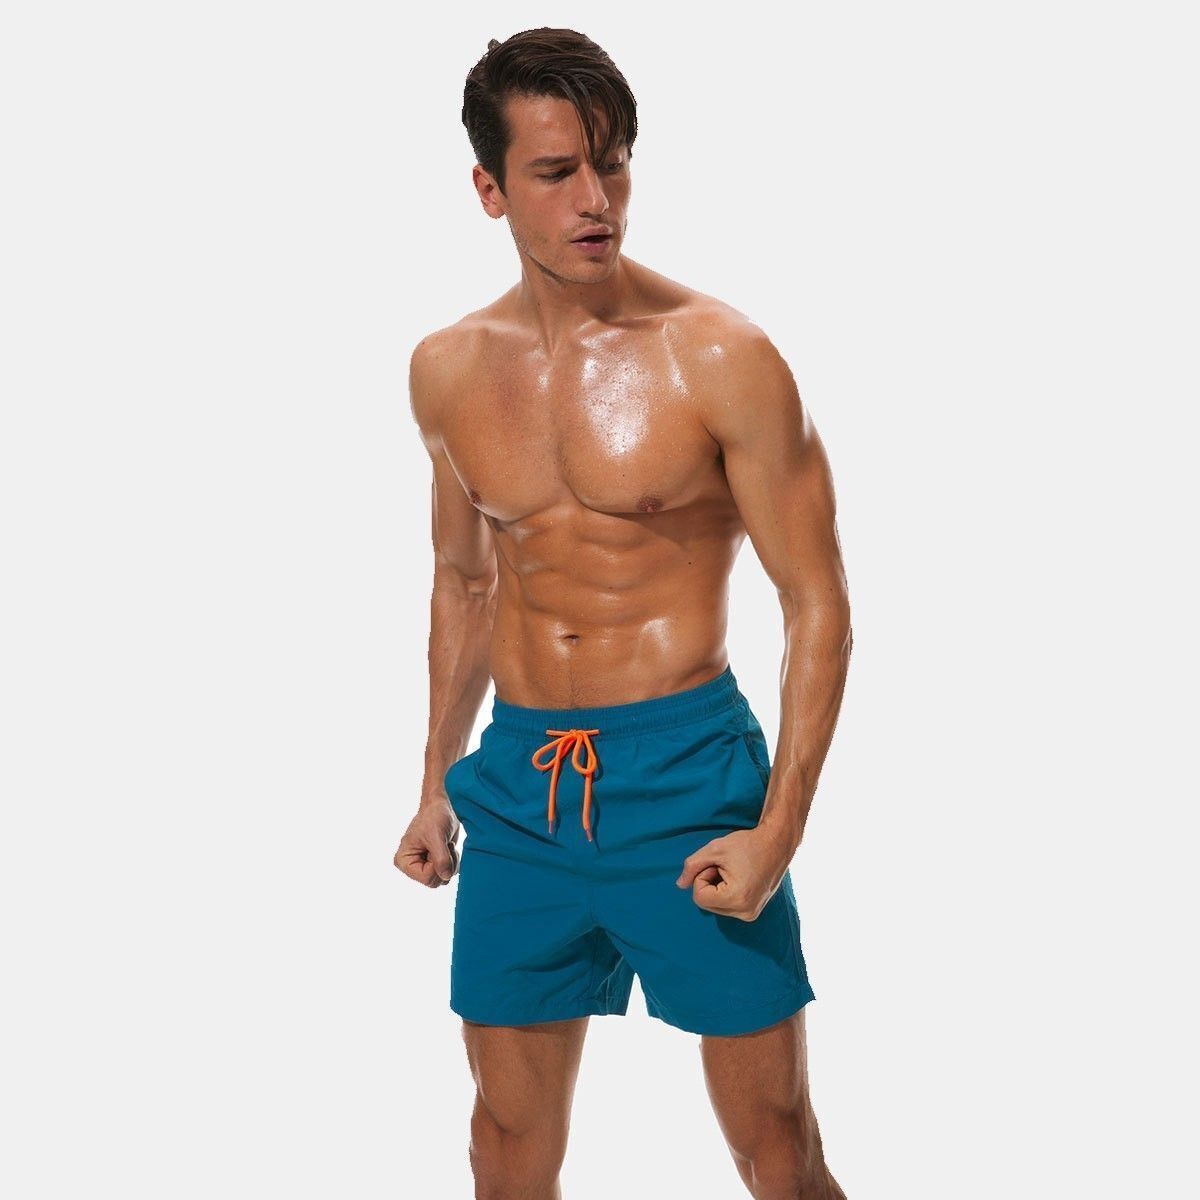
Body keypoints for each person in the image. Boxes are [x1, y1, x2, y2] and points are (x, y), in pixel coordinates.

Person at [394, 27, 852, 1200]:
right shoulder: (447, 369)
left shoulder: (720, 357)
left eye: (613, 163)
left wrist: (779, 831)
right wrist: (435, 781)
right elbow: (464, 580)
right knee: (504, 1140)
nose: (596, 200)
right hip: (520, 789)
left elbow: (817, 603)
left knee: (777, 1147)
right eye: (556, 173)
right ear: (490, 188)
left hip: (687, 776)